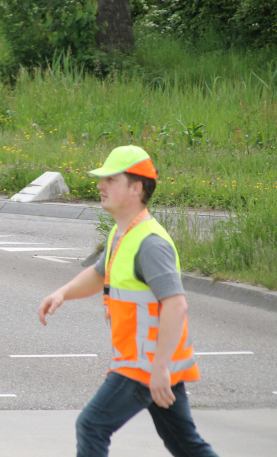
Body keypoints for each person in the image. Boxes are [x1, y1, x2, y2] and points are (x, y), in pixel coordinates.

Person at [37, 146, 219, 457]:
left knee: (92, 425)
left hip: (144, 364)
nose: (100, 185)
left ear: (136, 188)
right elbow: (98, 275)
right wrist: (63, 292)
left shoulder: (150, 243)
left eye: (111, 179)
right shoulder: (122, 235)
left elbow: (176, 305)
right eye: (101, 178)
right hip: (152, 361)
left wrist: (159, 367)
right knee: (185, 445)